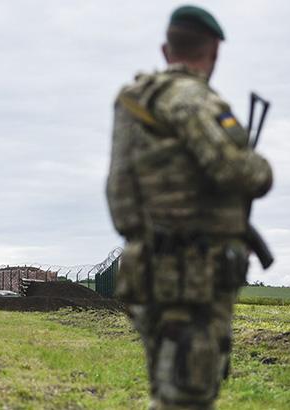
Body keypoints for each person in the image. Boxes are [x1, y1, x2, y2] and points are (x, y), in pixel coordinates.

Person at [106, 5, 273, 409]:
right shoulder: (191, 98)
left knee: (170, 390)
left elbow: (119, 193)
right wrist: (261, 167)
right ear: (214, 50)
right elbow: (233, 169)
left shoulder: (134, 101)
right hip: (192, 276)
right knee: (187, 397)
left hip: (147, 269)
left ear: (166, 50)